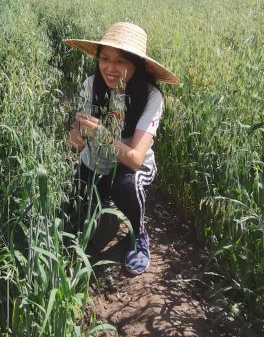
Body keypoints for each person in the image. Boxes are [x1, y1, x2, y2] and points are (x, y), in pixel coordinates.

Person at [63, 21, 179, 275]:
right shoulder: (91, 84)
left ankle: (138, 235)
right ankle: (105, 204)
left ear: (137, 65)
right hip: (97, 163)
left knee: (125, 185)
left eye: (121, 62)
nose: (110, 68)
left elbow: (136, 158)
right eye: (104, 58)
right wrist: (76, 134)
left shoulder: (151, 96)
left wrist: (101, 134)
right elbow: (79, 124)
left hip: (133, 169)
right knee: (74, 216)